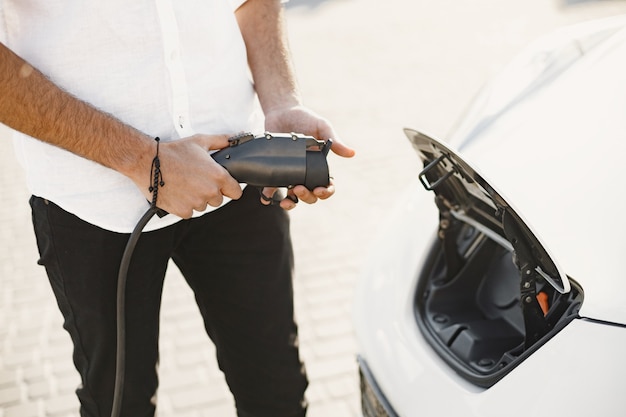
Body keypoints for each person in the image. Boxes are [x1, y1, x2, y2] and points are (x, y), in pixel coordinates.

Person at [0, 1, 355, 416]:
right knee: (120, 403)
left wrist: (280, 99)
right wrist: (140, 159)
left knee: (277, 391)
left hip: (241, 171)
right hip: (92, 202)